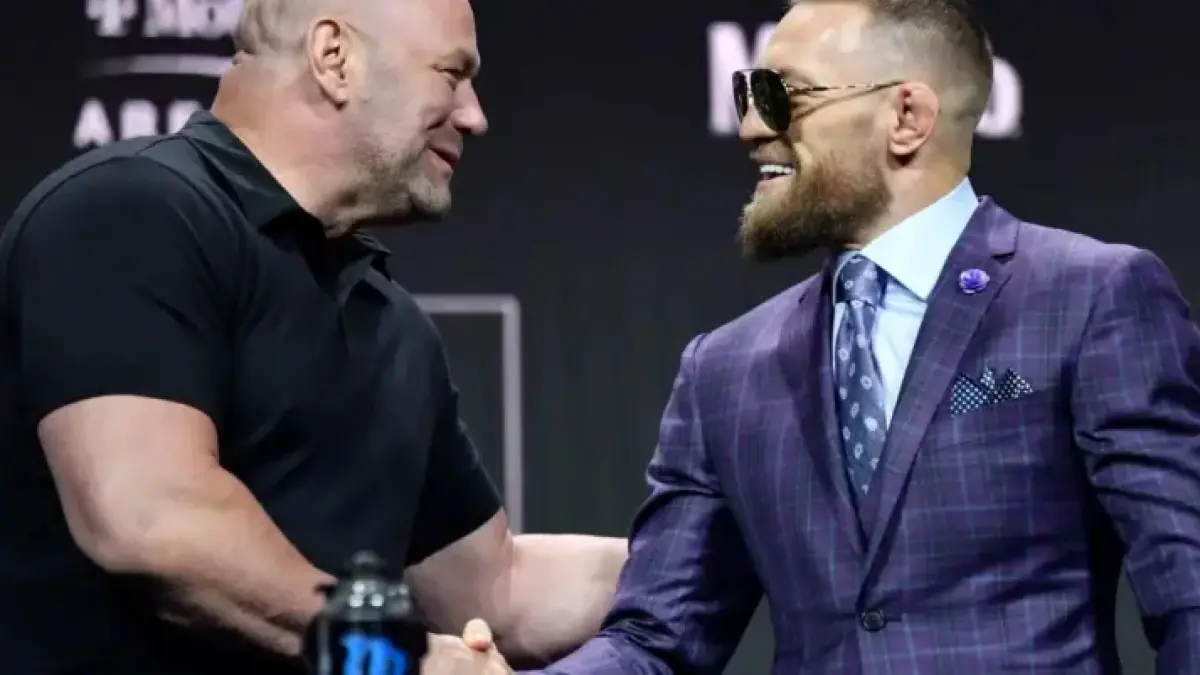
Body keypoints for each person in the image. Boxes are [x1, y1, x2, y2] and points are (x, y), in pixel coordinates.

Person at [526, 1, 1200, 673]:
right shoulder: (725, 370)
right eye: (746, 94)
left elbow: (1190, 592)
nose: (754, 126)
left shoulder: (1088, 298)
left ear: (906, 117)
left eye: (784, 94)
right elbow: (656, 640)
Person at [0, 0, 625, 673]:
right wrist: (390, 652)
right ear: (334, 57)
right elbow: (152, 519)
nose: (475, 115)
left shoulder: (390, 323)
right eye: (452, 74)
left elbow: (495, 588)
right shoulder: (130, 213)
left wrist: (692, 544)